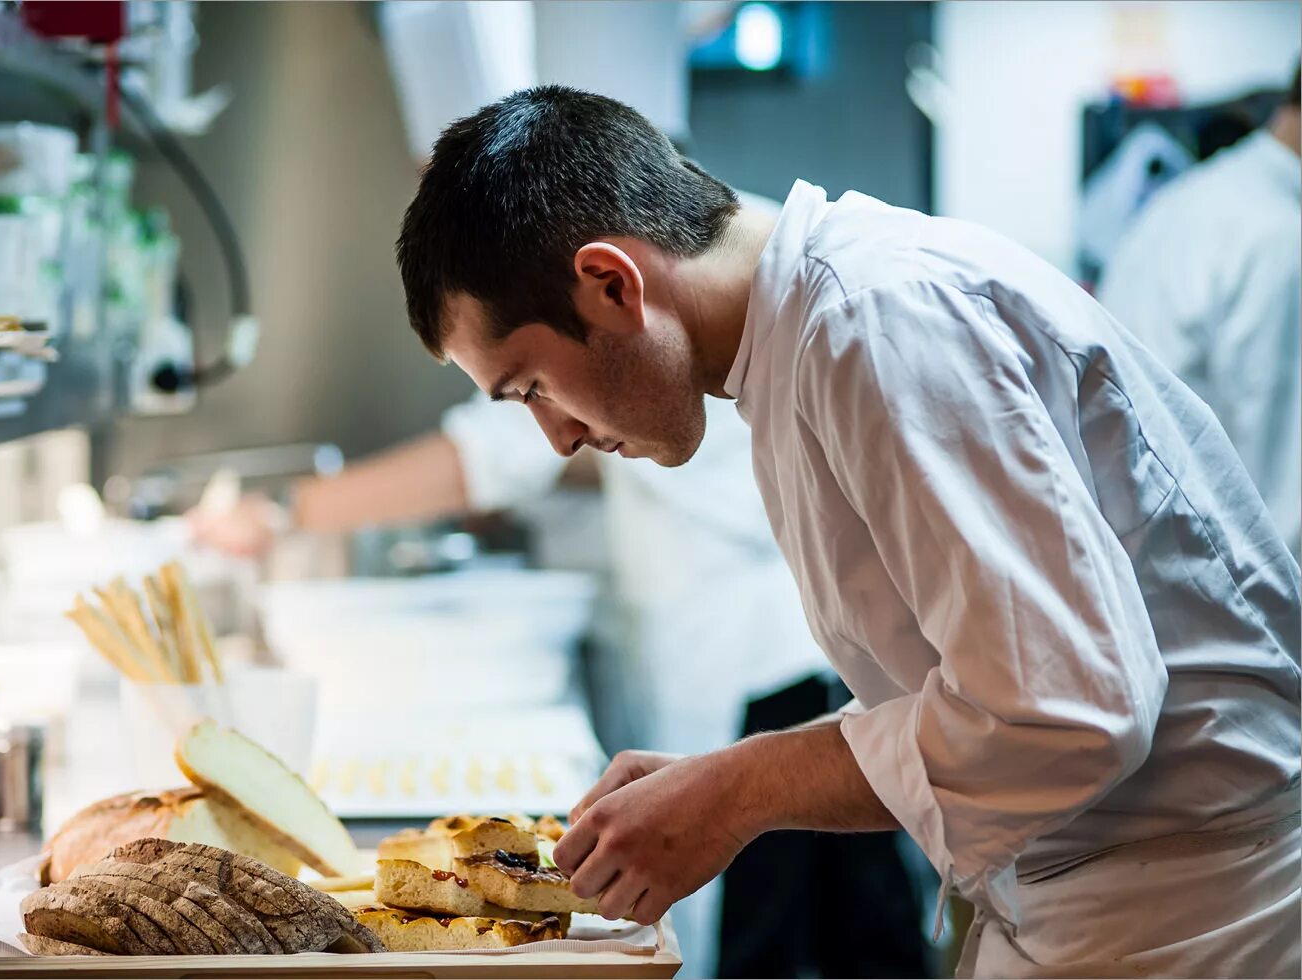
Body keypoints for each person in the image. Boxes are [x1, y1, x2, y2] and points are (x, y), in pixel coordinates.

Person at [392, 85, 1301, 978]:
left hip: (1194, 913)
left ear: (609, 284)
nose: (554, 436)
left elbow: (1065, 709)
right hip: (1117, 888)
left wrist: (742, 790)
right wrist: (719, 782)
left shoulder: (876, 320)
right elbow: (984, 679)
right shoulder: (794, 344)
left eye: (530, 388)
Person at [189, 308, 932, 977]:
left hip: (759, 669)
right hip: (766, 660)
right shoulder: (696, 308)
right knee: (847, 927)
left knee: (792, 938)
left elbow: (493, 454)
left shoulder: (627, 305)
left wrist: (286, 511)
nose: (556, 428)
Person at [1099, 67, 1302, 556]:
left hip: (1136, 551)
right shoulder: (1278, 236)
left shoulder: (1192, 198)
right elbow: (1281, 498)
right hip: (1213, 579)